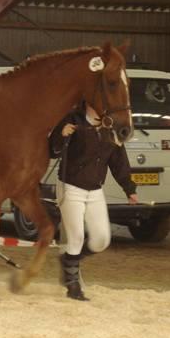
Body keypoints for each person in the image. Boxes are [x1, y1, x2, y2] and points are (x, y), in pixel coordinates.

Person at [49, 101, 138, 301]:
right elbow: (51, 150)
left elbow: (118, 160)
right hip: (71, 186)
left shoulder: (110, 126)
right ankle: (73, 287)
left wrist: (129, 188)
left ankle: (69, 261)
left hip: (96, 189)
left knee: (101, 240)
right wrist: (60, 136)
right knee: (77, 237)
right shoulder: (72, 119)